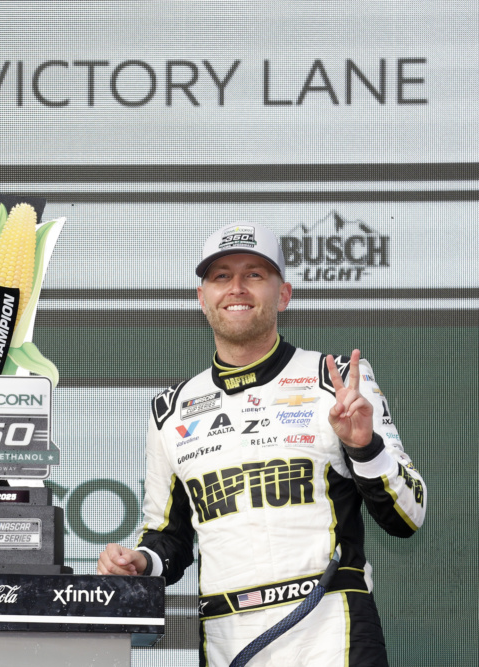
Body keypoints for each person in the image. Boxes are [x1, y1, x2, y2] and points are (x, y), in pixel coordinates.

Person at [98, 222, 426, 666]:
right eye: (221, 276)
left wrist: (364, 447)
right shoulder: (171, 410)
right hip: (227, 639)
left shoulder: (336, 381)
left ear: (283, 294)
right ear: (202, 298)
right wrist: (139, 562)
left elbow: (409, 515)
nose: (236, 287)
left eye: (254, 274)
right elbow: (167, 540)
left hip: (331, 631)